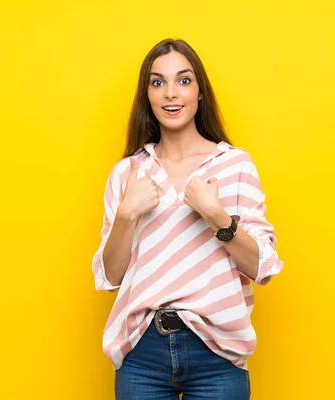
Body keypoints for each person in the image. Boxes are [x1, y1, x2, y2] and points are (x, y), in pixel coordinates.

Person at [92, 38, 284, 400]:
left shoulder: (234, 165)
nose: (170, 94)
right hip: (142, 352)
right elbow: (111, 276)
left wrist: (216, 215)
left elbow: (263, 268)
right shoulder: (128, 172)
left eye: (183, 80)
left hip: (217, 349)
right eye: (157, 82)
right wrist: (127, 214)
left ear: (200, 93)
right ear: (147, 96)